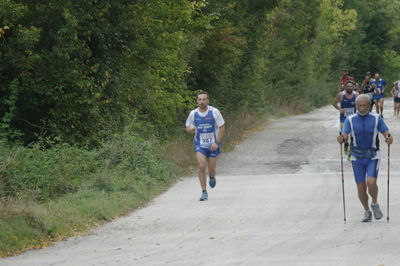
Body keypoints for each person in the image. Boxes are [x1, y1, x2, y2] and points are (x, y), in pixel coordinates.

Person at [337, 94, 393, 222]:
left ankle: (374, 203)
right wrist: (342, 138)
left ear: (369, 105)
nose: (362, 108)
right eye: (359, 105)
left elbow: (385, 131)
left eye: (364, 105)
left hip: (373, 155)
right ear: (356, 106)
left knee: (371, 182)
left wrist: (388, 138)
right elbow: (345, 134)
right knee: (361, 186)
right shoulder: (350, 119)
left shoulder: (376, 118)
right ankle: (367, 211)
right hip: (356, 157)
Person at [186, 91, 225, 201]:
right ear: (197, 101)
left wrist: (216, 143)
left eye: (204, 99)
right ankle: (204, 191)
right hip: (200, 145)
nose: (202, 102)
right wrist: (190, 129)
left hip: (213, 145)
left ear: (208, 100)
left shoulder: (214, 112)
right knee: (202, 166)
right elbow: (187, 128)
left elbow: (222, 128)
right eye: (200, 99)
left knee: (211, 170)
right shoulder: (193, 113)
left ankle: (212, 176)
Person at [332, 81, 358, 155]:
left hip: (354, 118)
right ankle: (346, 144)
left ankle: (351, 152)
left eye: (351, 86)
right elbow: (334, 103)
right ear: (345, 87)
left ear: (353, 87)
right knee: (345, 136)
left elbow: (360, 103)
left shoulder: (356, 95)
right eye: (348, 86)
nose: (349, 88)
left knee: (353, 137)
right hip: (344, 118)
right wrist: (339, 109)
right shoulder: (341, 95)